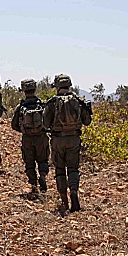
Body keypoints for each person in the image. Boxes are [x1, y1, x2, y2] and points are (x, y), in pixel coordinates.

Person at [43, 74, 92, 213]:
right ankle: (74, 191)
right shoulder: (78, 101)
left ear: (57, 86)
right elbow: (87, 121)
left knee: (60, 169)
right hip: (74, 139)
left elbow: (45, 124)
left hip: (58, 140)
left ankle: (64, 200)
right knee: (73, 169)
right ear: (69, 85)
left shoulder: (52, 102)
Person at [11, 78, 50, 197]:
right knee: (43, 160)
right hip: (41, 137)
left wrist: (24, 130)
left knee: (29, 163)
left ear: (23, 90)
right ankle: (42, 175)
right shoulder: (42, 105)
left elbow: (14, 125)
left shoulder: (20, 107)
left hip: (27, 139)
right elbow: (48, 121)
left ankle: (33, 185)